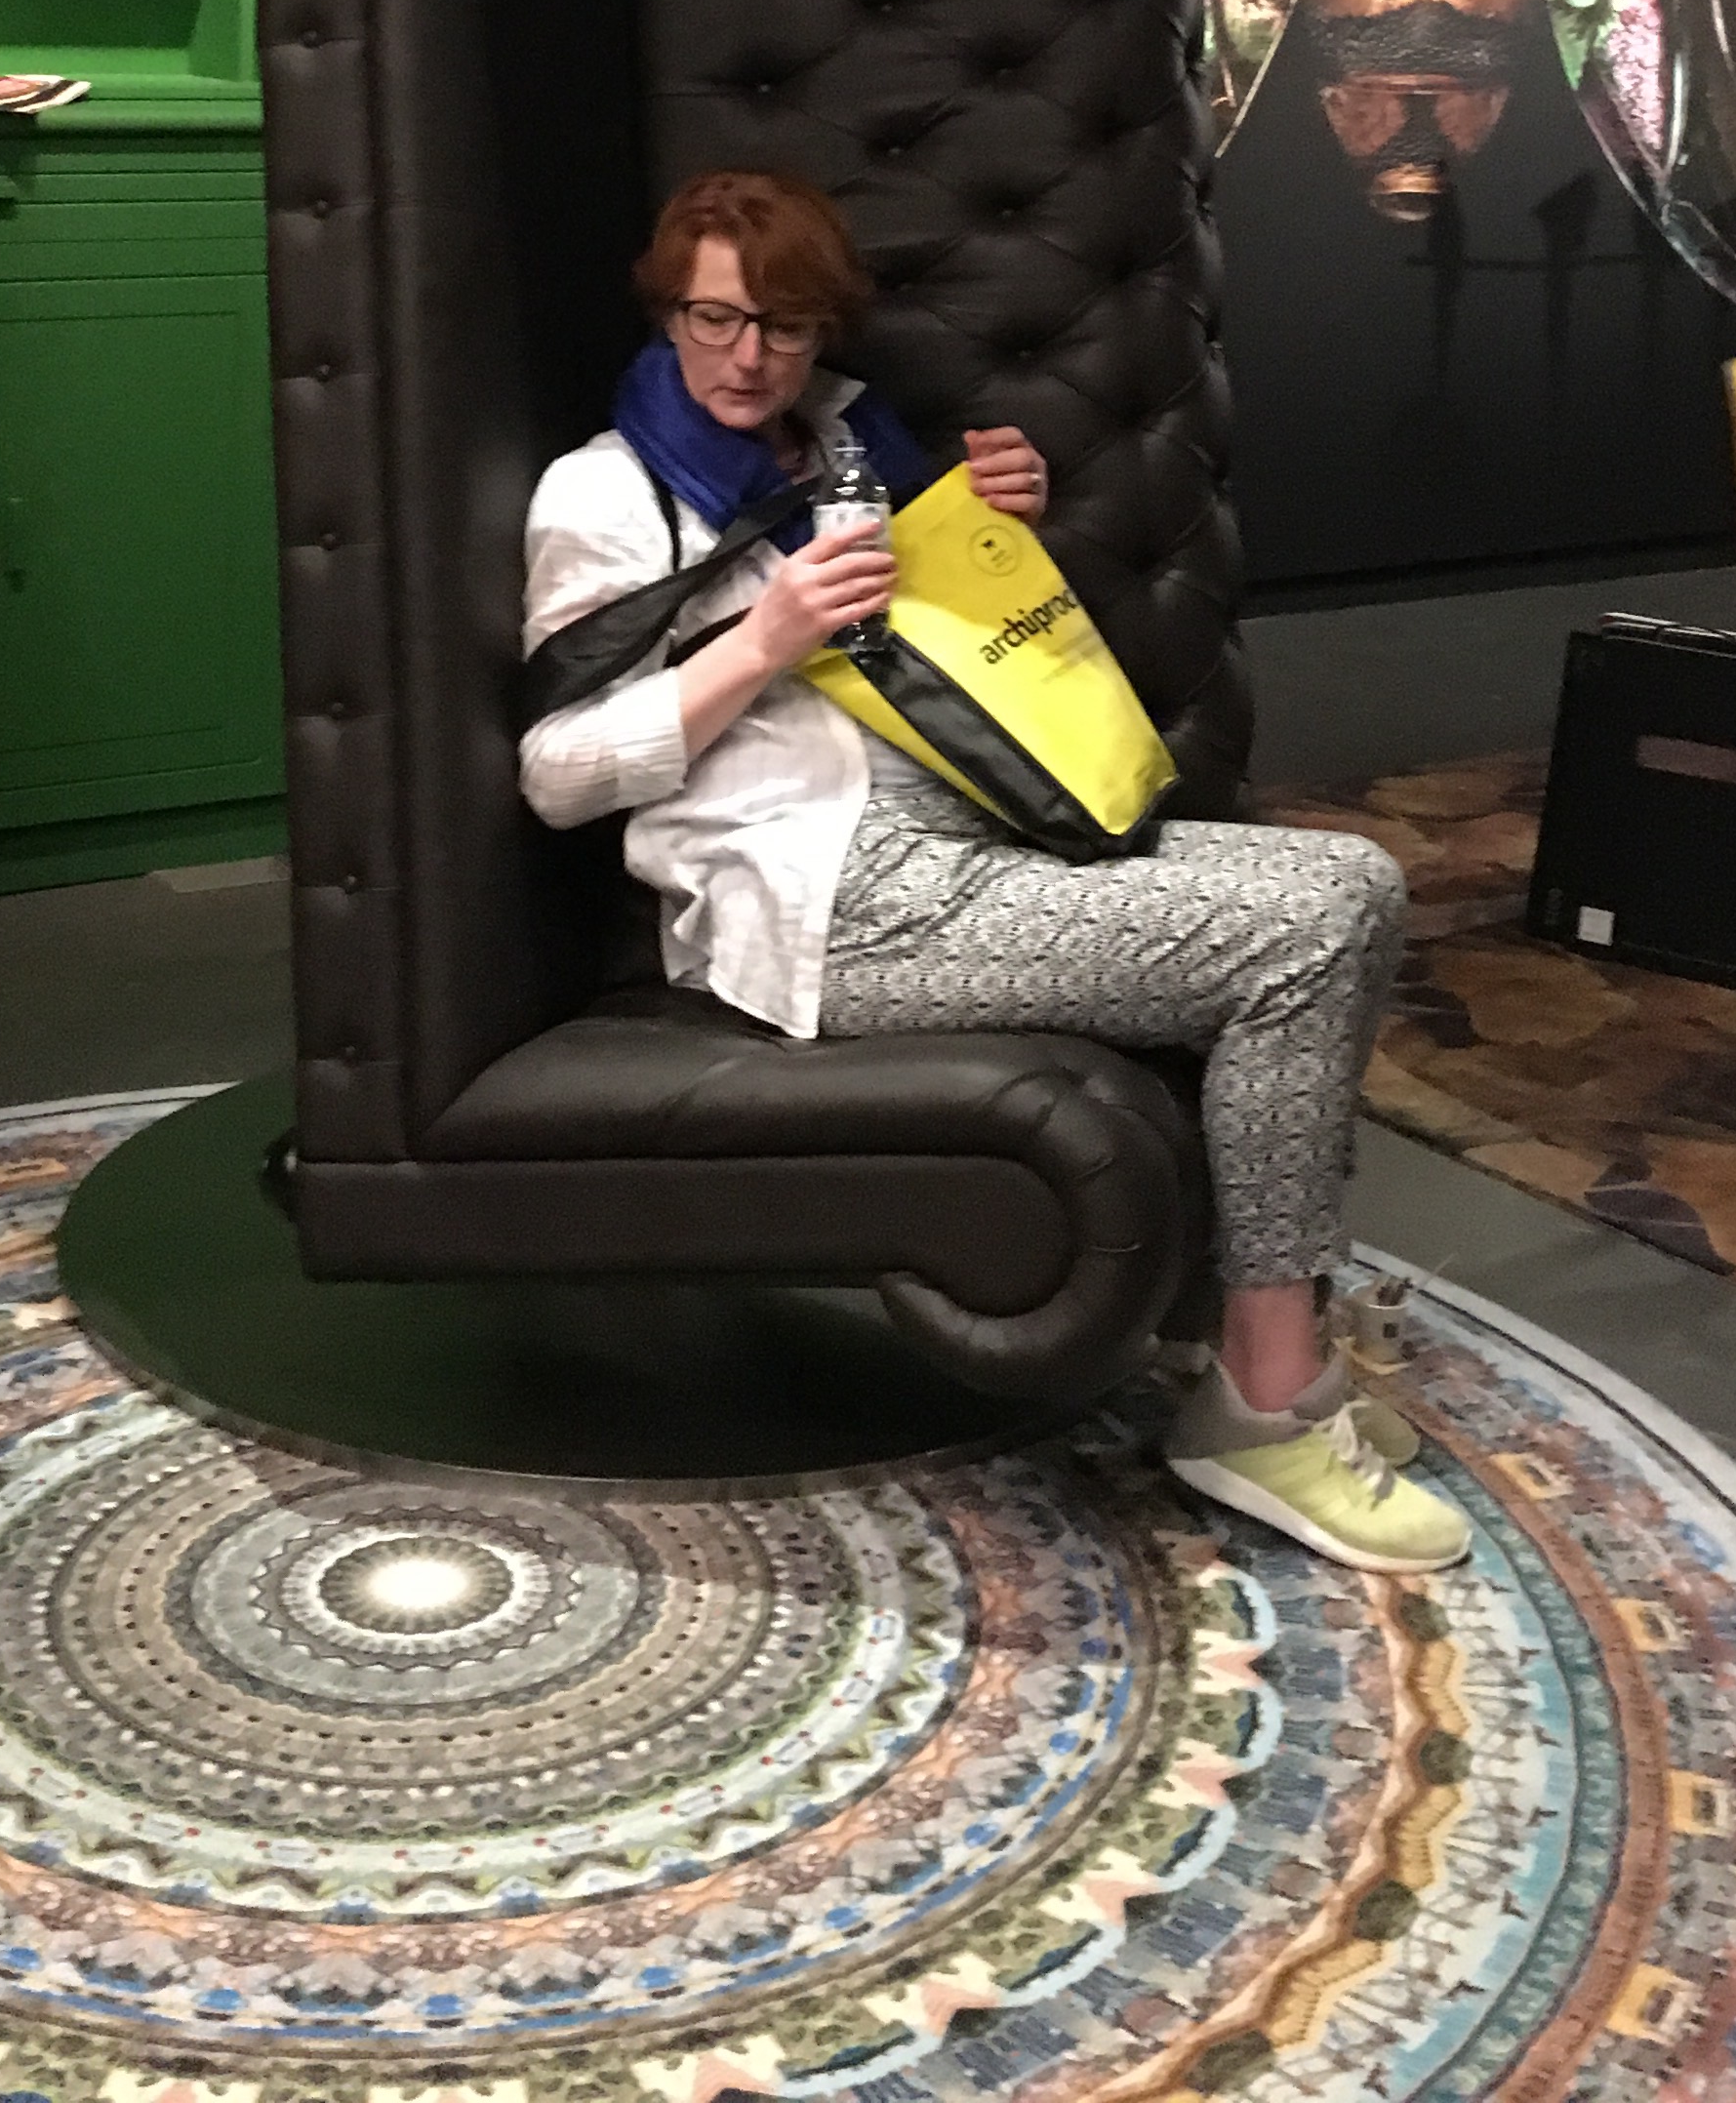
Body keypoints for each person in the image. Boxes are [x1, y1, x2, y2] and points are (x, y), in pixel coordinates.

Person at [520, 166, 1464, 1573]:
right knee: (1302, 933)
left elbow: (940, 641)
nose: (748, 358)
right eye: (715, 319)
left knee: (1356, 885)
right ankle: (1268, 1400)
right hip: (832, 908)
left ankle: (1250, 1347)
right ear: (668, 314)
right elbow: (556, 772)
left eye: (784, 326)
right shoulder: (603, 494)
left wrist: (978, 515)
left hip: (971, 839)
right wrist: (764, 640)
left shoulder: (845, 448)